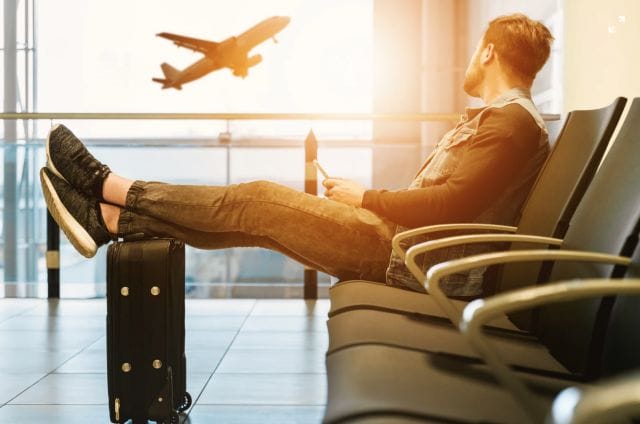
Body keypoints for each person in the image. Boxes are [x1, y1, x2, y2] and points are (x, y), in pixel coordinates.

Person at [40, 13, 554, 297]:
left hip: (406, 258)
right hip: (403, 248)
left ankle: (108, 186)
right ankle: (110, 220)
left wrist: (367, 197)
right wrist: (368, 201)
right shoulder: (505, 122)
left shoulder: (510, 124)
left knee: (257, 200)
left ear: (487, 52)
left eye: (473, 52)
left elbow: (452, 205)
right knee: (258, 222)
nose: (468, 61)